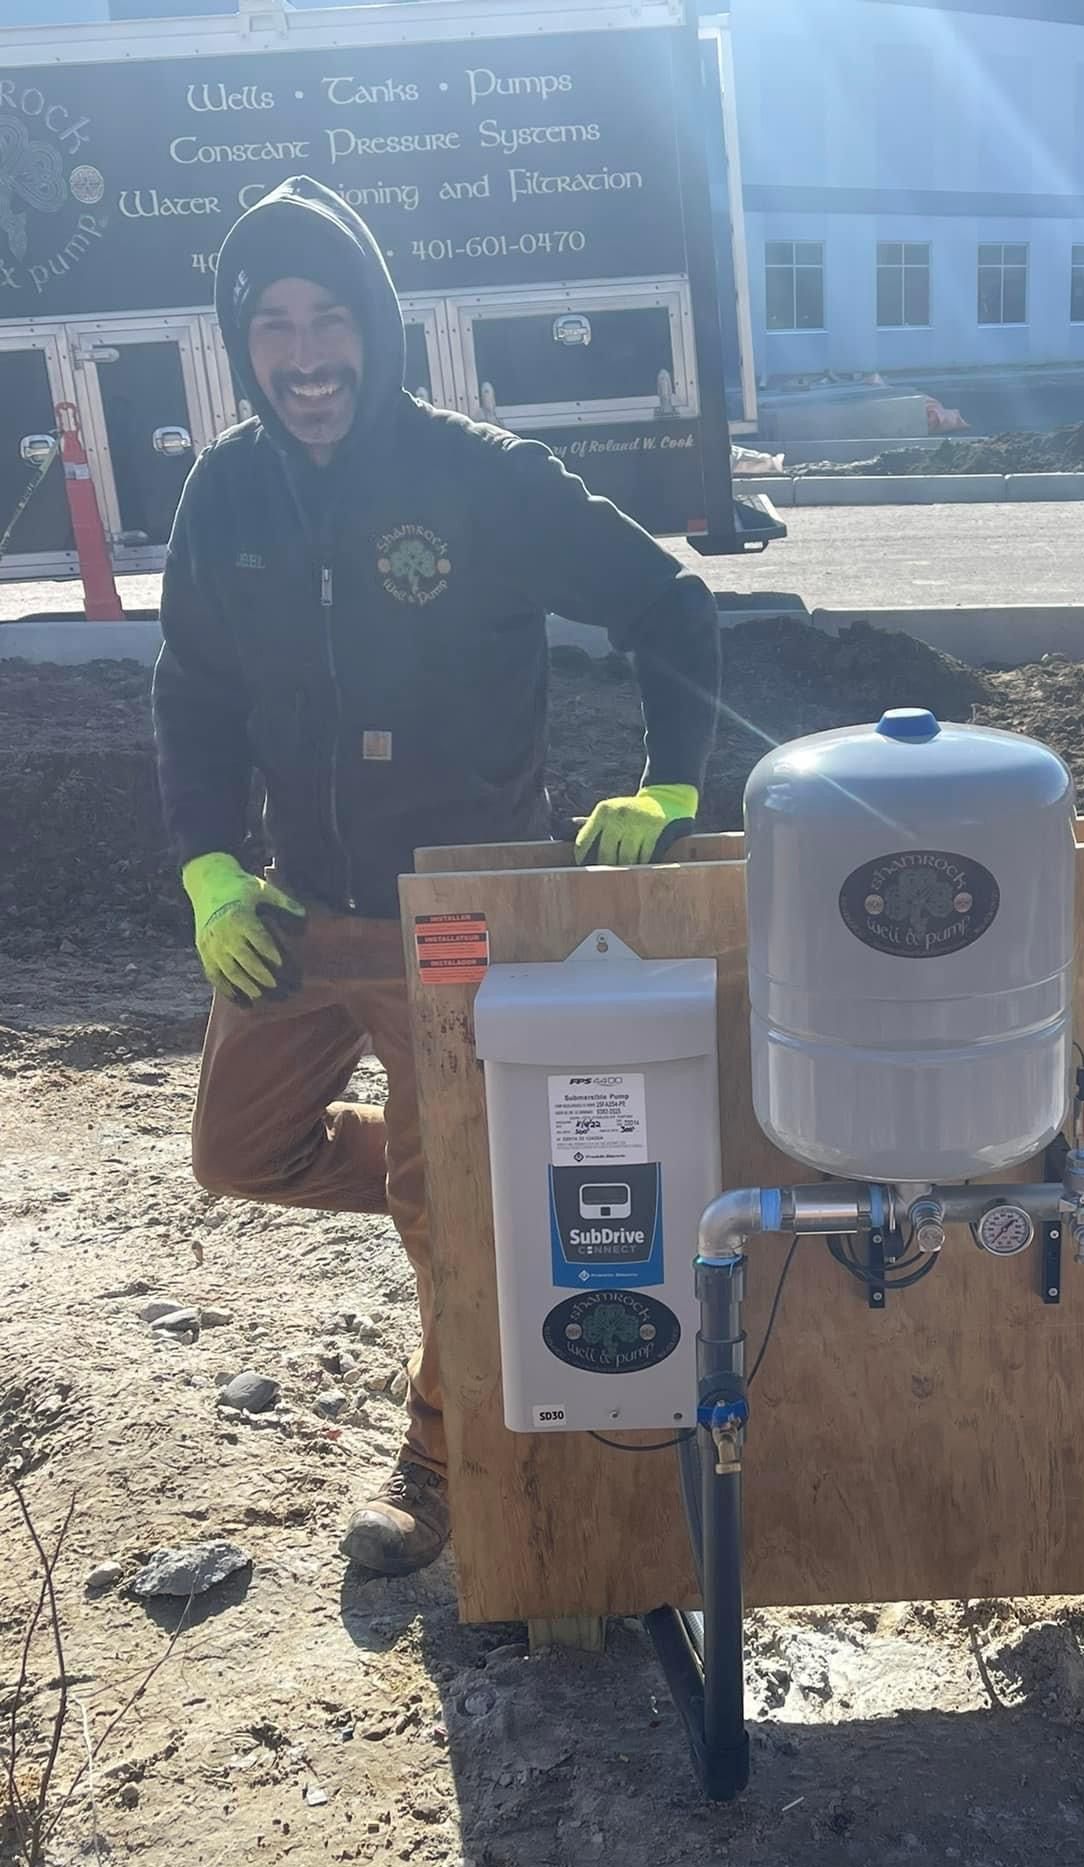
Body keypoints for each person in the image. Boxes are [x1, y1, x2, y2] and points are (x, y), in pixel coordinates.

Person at [152, 177, 719, 1576]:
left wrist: (671, 784)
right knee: (238, 1152)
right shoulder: (223, 495)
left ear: (378, 331)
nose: (305, 353)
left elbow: (672, 602)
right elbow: (192, 699)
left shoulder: (480, 477)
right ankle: (463, 1185)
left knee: (442, 1203)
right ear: (244, 343)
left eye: (330, 317)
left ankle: (435, 1458)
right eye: (274, 324)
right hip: (306, 909)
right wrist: (214, 870)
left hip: (466, 912)